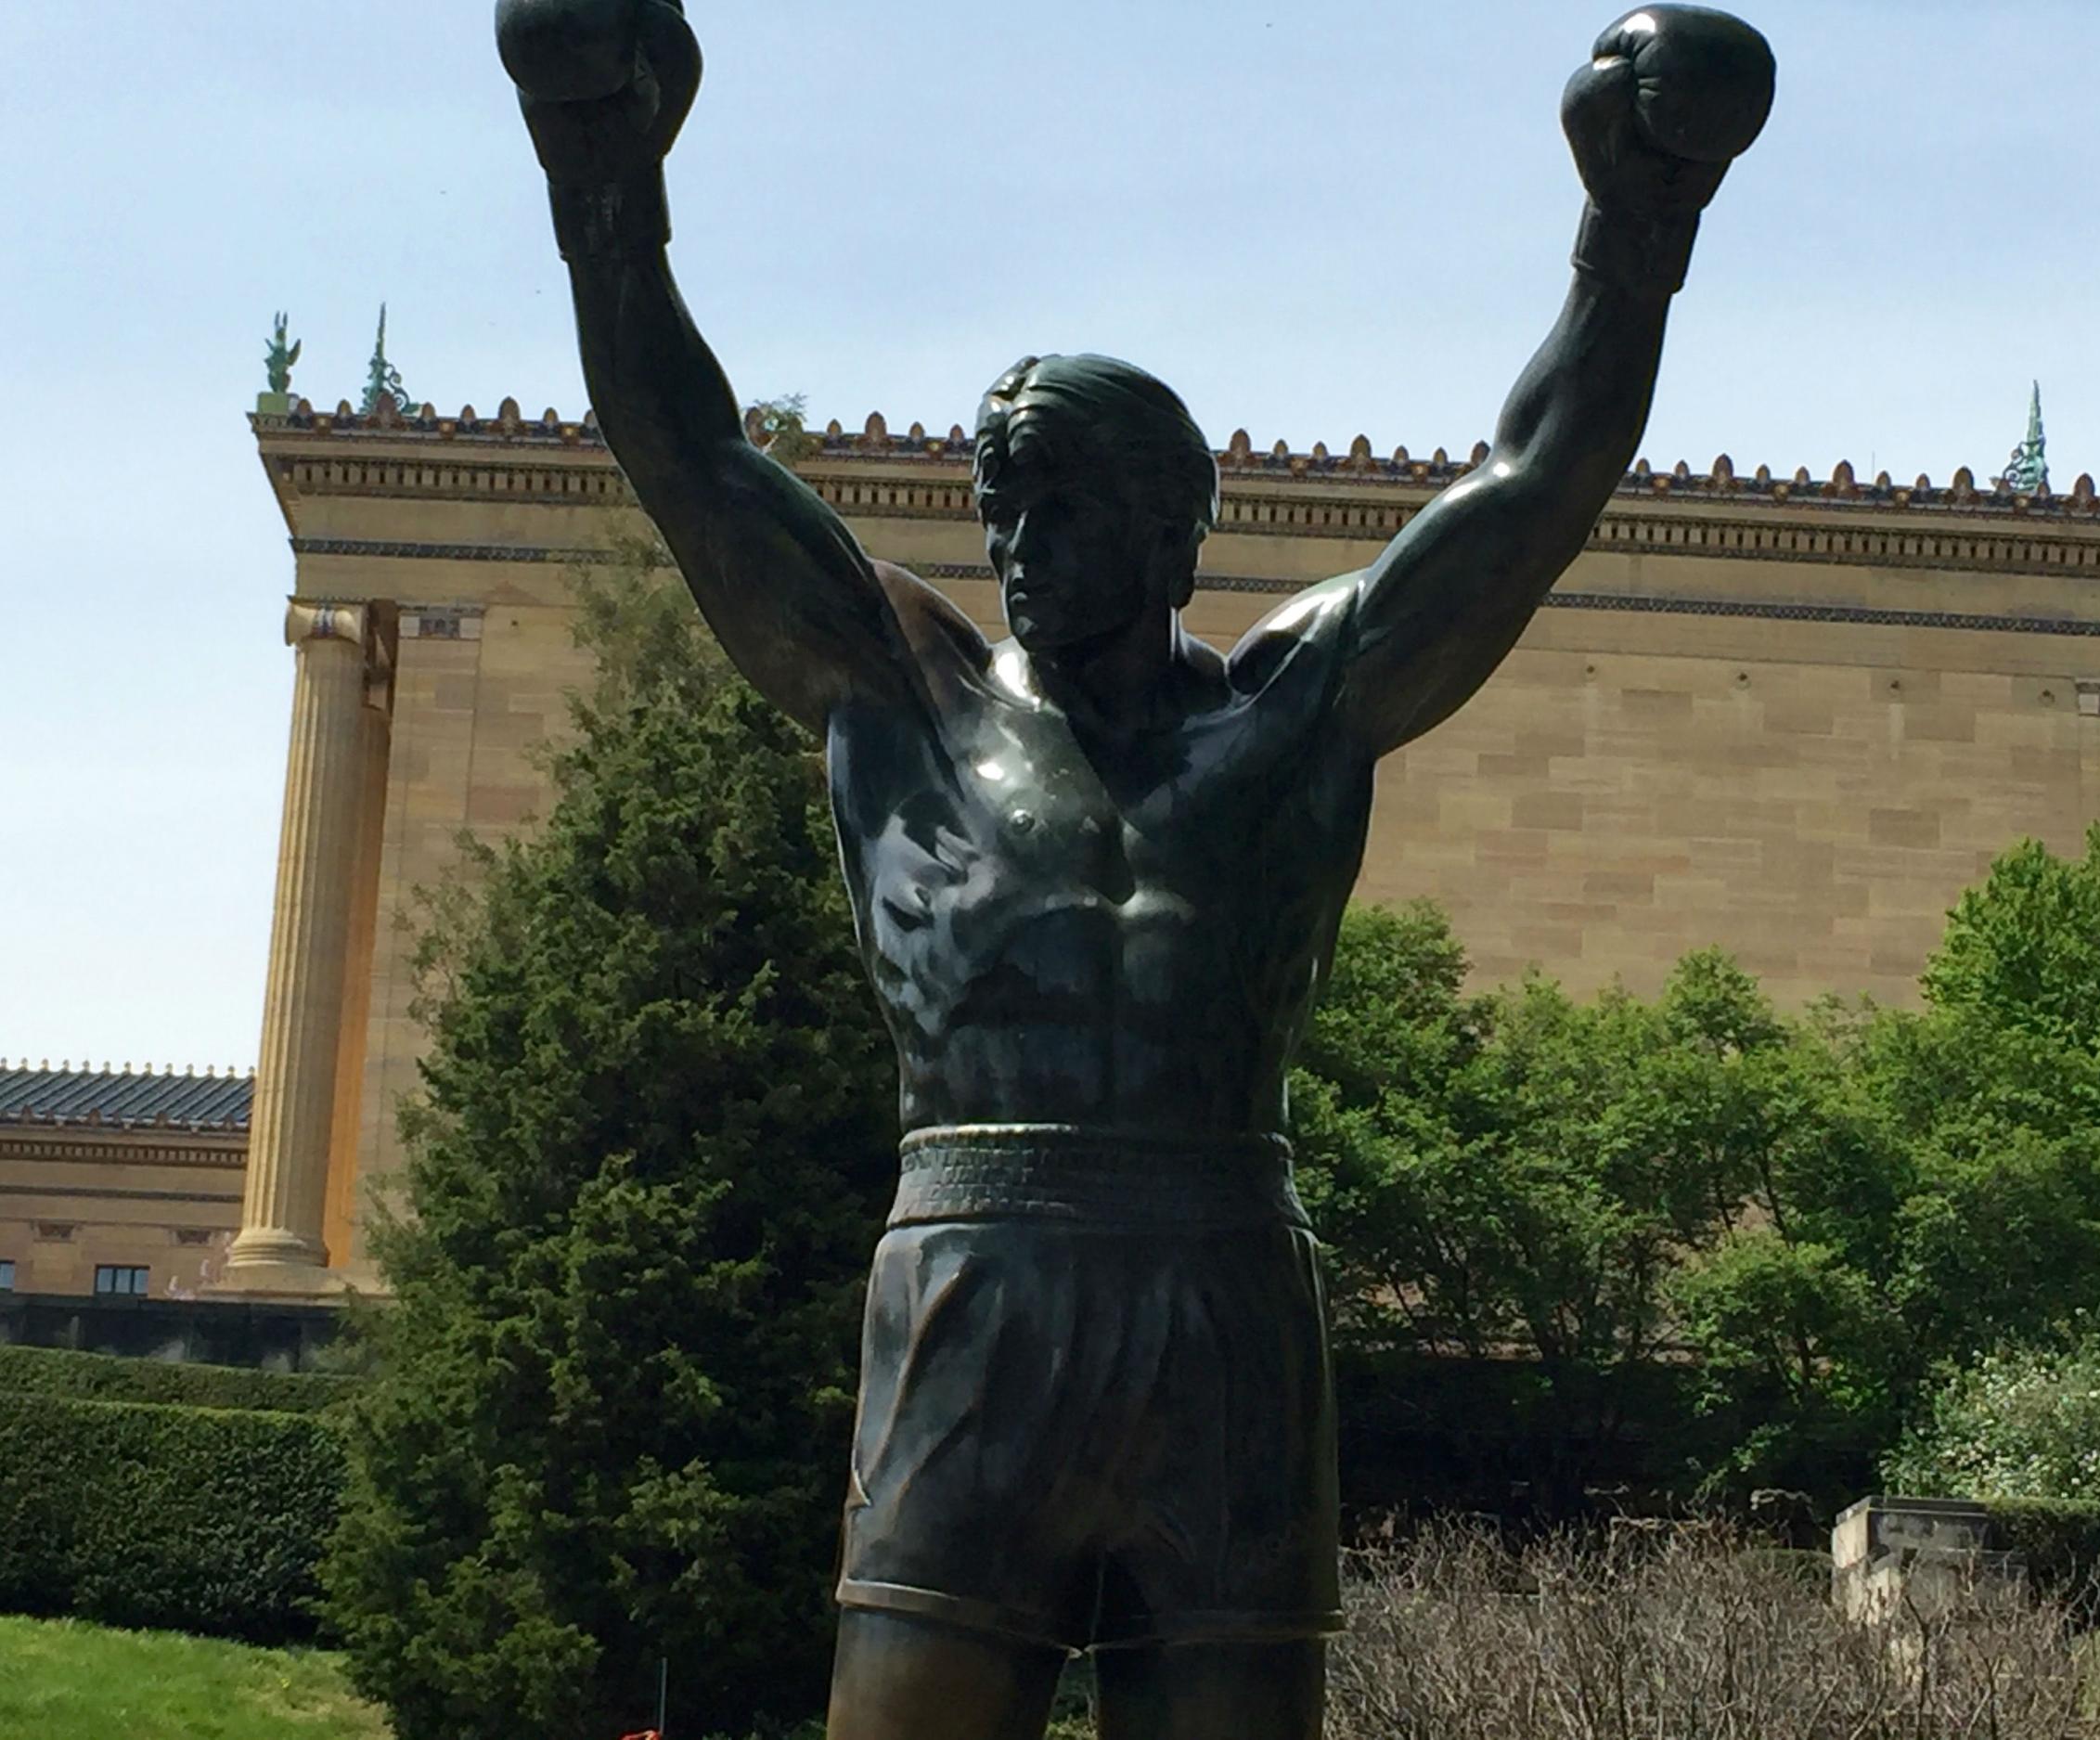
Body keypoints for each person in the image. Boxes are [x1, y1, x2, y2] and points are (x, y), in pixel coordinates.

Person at [496, 5, 1773, 1734]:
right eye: (1001, 509)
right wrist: (603, 177)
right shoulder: (904, 697)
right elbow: (690, 456)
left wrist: (1639, 230)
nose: (1020, 550)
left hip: (1225, 1303)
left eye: (1069, 511)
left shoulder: (1290, 722)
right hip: (971, 1296)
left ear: (1177, 530)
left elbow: (1535, 487)